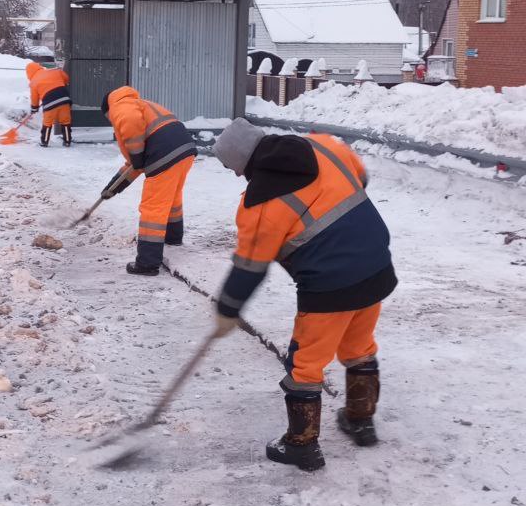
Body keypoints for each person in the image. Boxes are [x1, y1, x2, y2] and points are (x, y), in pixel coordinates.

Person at [212, 118, 397, 472]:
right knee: (358, 346)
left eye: (233, 168)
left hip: (329, 286)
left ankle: (301, 445)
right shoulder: (323, 145)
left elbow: (250, 266)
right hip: (375, 263)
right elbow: (360, 176)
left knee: (305, 364)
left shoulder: (261, 204)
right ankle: (361, 422)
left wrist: (227, 307)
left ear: (244, 161)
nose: (236, 176)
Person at [100, 87, 196, 275]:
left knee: (153, 207)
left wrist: (136, 154)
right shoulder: (142, 104)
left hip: (164, 153)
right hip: (184, 149)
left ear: (108, 110)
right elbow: (134, 165)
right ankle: (173, 237)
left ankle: (147, 262)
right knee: (171, 197)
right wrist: (112, 188)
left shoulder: (120, 106)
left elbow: (131, 126)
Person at [26, 61, 73, 147]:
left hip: (49, 103)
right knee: (65, 121)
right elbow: (66, 78)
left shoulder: (33, 82)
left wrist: (34, 108)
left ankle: (44, 142)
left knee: (47, 123)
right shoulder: (53, 71)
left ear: (29, 73)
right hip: (64, 99)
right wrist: (63, 82)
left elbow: (34, 98)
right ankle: (67, 141)